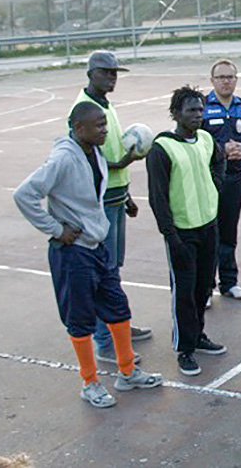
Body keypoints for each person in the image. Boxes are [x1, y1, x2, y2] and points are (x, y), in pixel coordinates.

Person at [14, 101, 163, 408]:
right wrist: (56, 229)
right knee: (80, 319)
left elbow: (98, 187)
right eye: (99, 125)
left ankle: (127, 372)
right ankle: (90, 382)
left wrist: (125, 198)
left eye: (105, 124)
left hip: (97, 245)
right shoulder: (62, 158)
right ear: (78, 128)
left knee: (118, 307)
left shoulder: (93, 151)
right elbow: (24, 194)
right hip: (73, 252)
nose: (105, 130)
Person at [69, 51, 152, 364]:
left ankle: (118, 325)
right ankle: (105, 340)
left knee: (113, 266)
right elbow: (89, 156)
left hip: (116, 196)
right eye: (106, 72)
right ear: (91, 73)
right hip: (101, 200)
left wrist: (127, 193)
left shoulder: (105, 103)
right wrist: (125, 162)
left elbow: (111, 147)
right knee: (103, 268)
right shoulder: (83, 108)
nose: (112, 77)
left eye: (115, 72)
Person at [147, 86, 227, 377]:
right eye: (191, 110)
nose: (197, 115)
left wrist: (216, 183)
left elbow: (219, 160)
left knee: (204, 287)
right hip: (182, 232)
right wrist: (170, 235)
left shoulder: (205, 139)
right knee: (184, 291)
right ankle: (185, 349)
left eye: (200, 110)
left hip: (208, 225)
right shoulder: (162, 148)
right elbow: (158, 198)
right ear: (175, 113)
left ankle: (199, 336)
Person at [202, 59, 241, 301]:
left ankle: (229, 282)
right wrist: (220, 150)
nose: (226, 81)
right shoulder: (203, 107)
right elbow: (195, 140)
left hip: (234, 178)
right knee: (209, 233)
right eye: (221, 77)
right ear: (212, 81)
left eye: (230, 77)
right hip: (208, 179)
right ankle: (206, 288)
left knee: (229, 231)